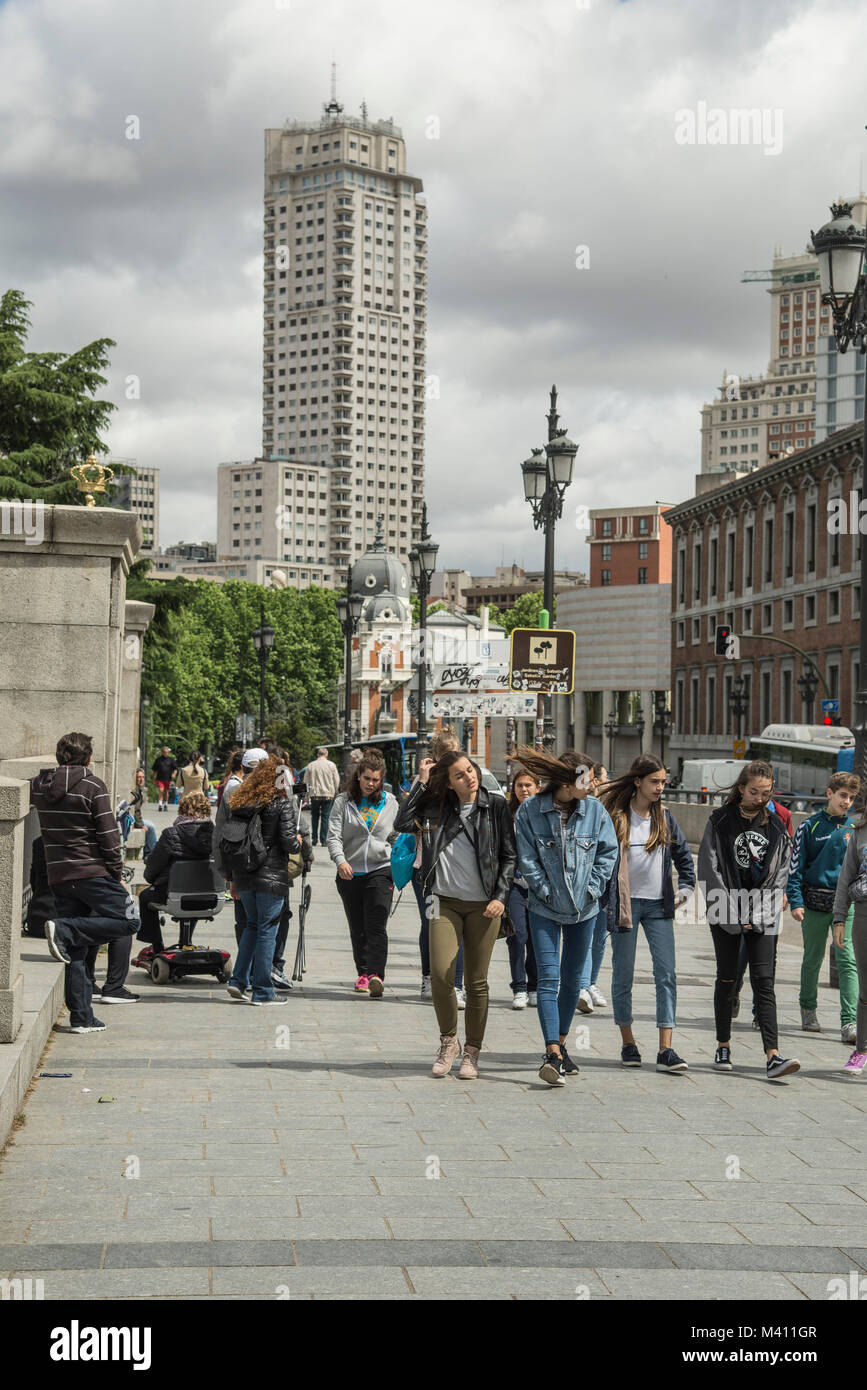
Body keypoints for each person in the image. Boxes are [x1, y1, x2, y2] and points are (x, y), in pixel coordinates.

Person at [395, 750, 516, 1079]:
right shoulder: (435, 808)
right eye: (460, 775)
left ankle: (472, 1052)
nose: (470, 777)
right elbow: (402, 822)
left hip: (484, 905)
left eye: (471, 770)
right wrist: (422, 782)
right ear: (448, 784)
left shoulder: (495, 805)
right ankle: (449, 1041)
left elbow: (509, 855)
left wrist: (501, 897)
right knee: (440, 975)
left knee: (476, 982)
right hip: (442, 900)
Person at [514, 749, 618, 1085]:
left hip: (585, 908)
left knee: (573, 978)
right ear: (566, 783)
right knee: (548, 977)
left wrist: (592, 890)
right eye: (586, 780)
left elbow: (608, 853)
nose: (592, 786)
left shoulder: (595, 811)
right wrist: (544, 891)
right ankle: (553, 1052)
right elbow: (527, 859)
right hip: (543, 906)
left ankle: (558, 1043)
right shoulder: (530, 811)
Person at [698, 760, 800, 1081]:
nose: (759, 798)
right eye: (754, 791)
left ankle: (773, 1055)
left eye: (766, 793)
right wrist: (733, 913)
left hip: (762, 912)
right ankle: (723, 1045)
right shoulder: (720, 821)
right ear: (741, 788)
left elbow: (779, 875)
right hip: (725, 908)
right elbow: (708, 869)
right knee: (727, 978)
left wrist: (754, 915)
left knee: (764, 982)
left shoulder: (777, 827)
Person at [32, 731, 140, 1031]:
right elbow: (109, 837)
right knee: (130, 919)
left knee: (76, 947)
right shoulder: (93, 786)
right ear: (89, 758)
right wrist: (117, 875)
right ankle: (64, 930)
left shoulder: (40, 786)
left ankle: (82, 1017)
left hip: (59, 875)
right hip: (91, 872)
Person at [600, 755, 695, 1073]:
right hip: (625, 905)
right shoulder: (616, 816)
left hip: (659, 906)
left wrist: (687, 888)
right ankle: (628, 1043)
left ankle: (665, 1049)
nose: (660, 787)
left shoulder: (666, 818)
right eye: (654, 781)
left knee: (666, 974)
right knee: (623, 974)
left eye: (664, 782)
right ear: (638, 781)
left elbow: (683, 857)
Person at [218, 753, 301, 1004]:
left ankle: (238, 980)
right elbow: (288, 841)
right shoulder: (281, 803)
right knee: (267, 931)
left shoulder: (242, 801)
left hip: (244, 874)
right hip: (271, 875)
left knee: (252, 927)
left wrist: (231, 877)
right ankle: (263, 991)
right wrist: (297, 843)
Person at [788, 772, 861, 1040]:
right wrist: (796, 902)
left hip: (845, 906)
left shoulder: (856, 830)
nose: (847, 802)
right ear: (829, 793)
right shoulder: (809, 827)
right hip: (814, 904)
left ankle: (849, 1022)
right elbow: (794, 869)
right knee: (812, 958)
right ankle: (808, 1009)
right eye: (843, 795)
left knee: (848, 961)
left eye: (851, 798)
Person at [327, 749, 399, 997]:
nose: (371, 784)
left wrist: (395, 848)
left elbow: (395, 833)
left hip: (381, 869)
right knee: (357, 926)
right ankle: (362, 972)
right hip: (350, 872)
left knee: (376, 924)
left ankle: (376, 974)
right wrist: (340, 861)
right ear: (358, 776)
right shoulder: (343, 802)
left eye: (376, 780)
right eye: (367, 778)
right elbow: (333, 836)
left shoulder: (390, 802)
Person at [412, 730, 465, 1006]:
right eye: (444, 756)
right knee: (430, 923)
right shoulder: (425, 780)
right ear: (434, 757)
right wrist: (423, 781)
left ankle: (456, 984)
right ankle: (429, 977)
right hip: (427, 868)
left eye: (454, 754)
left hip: (460, 868)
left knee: (460, 928)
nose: (450, 761)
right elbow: (405, 819)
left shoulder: (464, 778)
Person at [136, 792, 214, 957]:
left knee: (144, 897)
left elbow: (152, 868)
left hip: (172, 895)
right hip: (208, 897)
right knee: (193, 893)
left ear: (183, 810)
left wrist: (151, 880)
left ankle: (157, 946)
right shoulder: (215, 835)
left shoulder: (171, 834)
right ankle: (186, 942)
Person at [832, 800, 867, 1074]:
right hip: (864, 914)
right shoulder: (860, 829)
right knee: (865, 989)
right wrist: (839, 917)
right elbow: (846, 876)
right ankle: (861, 1051)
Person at [576, 762, 613, 1013]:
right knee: (586, 937)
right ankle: (581, 985)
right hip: (583, 884)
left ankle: (590, 982)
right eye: (602, 777)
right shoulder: (580, 807)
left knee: (600, 937)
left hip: (605, 882)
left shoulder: (609, 808)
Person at [507, 768, 541, 1009]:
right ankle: (519, 987)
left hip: (540, 887)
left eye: (528, 785)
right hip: (515, 885)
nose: (524, 789)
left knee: (537, 940)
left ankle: (535, 987)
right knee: (518, 936)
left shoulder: (545, 815)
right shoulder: (508, 815)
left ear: (538, 788)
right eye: (519, 785)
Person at [304, 746, 341, 847]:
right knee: (326, 817)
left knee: (314, 817)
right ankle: (324, 840)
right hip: (328, 795)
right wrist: (335, 792)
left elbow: (305, 782)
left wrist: (306, 796)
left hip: (315, 794)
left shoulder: (311, 765)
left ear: (317, 755)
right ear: (326, 755)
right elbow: (336, 781)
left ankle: (314, 839)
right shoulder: (331, 765)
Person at [128, 768, 157, 854]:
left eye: (143, 777)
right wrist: (141, 825)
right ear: (135, 778)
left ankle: (150, 850)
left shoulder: (139, 789)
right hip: (133, 820)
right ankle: (151, 852)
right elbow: (136, 811)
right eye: (139, 777)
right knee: (150, 827)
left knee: (151, 824)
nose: (141, 779)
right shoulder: (136, 791)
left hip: (135, 819)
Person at [151, 747, 178, 811]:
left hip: (168, 778)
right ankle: (160, 804)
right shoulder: (158, 760)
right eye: (165, 752)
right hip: (160, 778)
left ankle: (165, 804)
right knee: (161, 790)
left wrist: (174, 774)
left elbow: (175, 769)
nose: (166, 753)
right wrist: (153, 777)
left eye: (167, 752)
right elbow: (154, 770)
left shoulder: (171, 760)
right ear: (162, 752)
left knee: (166, 792)